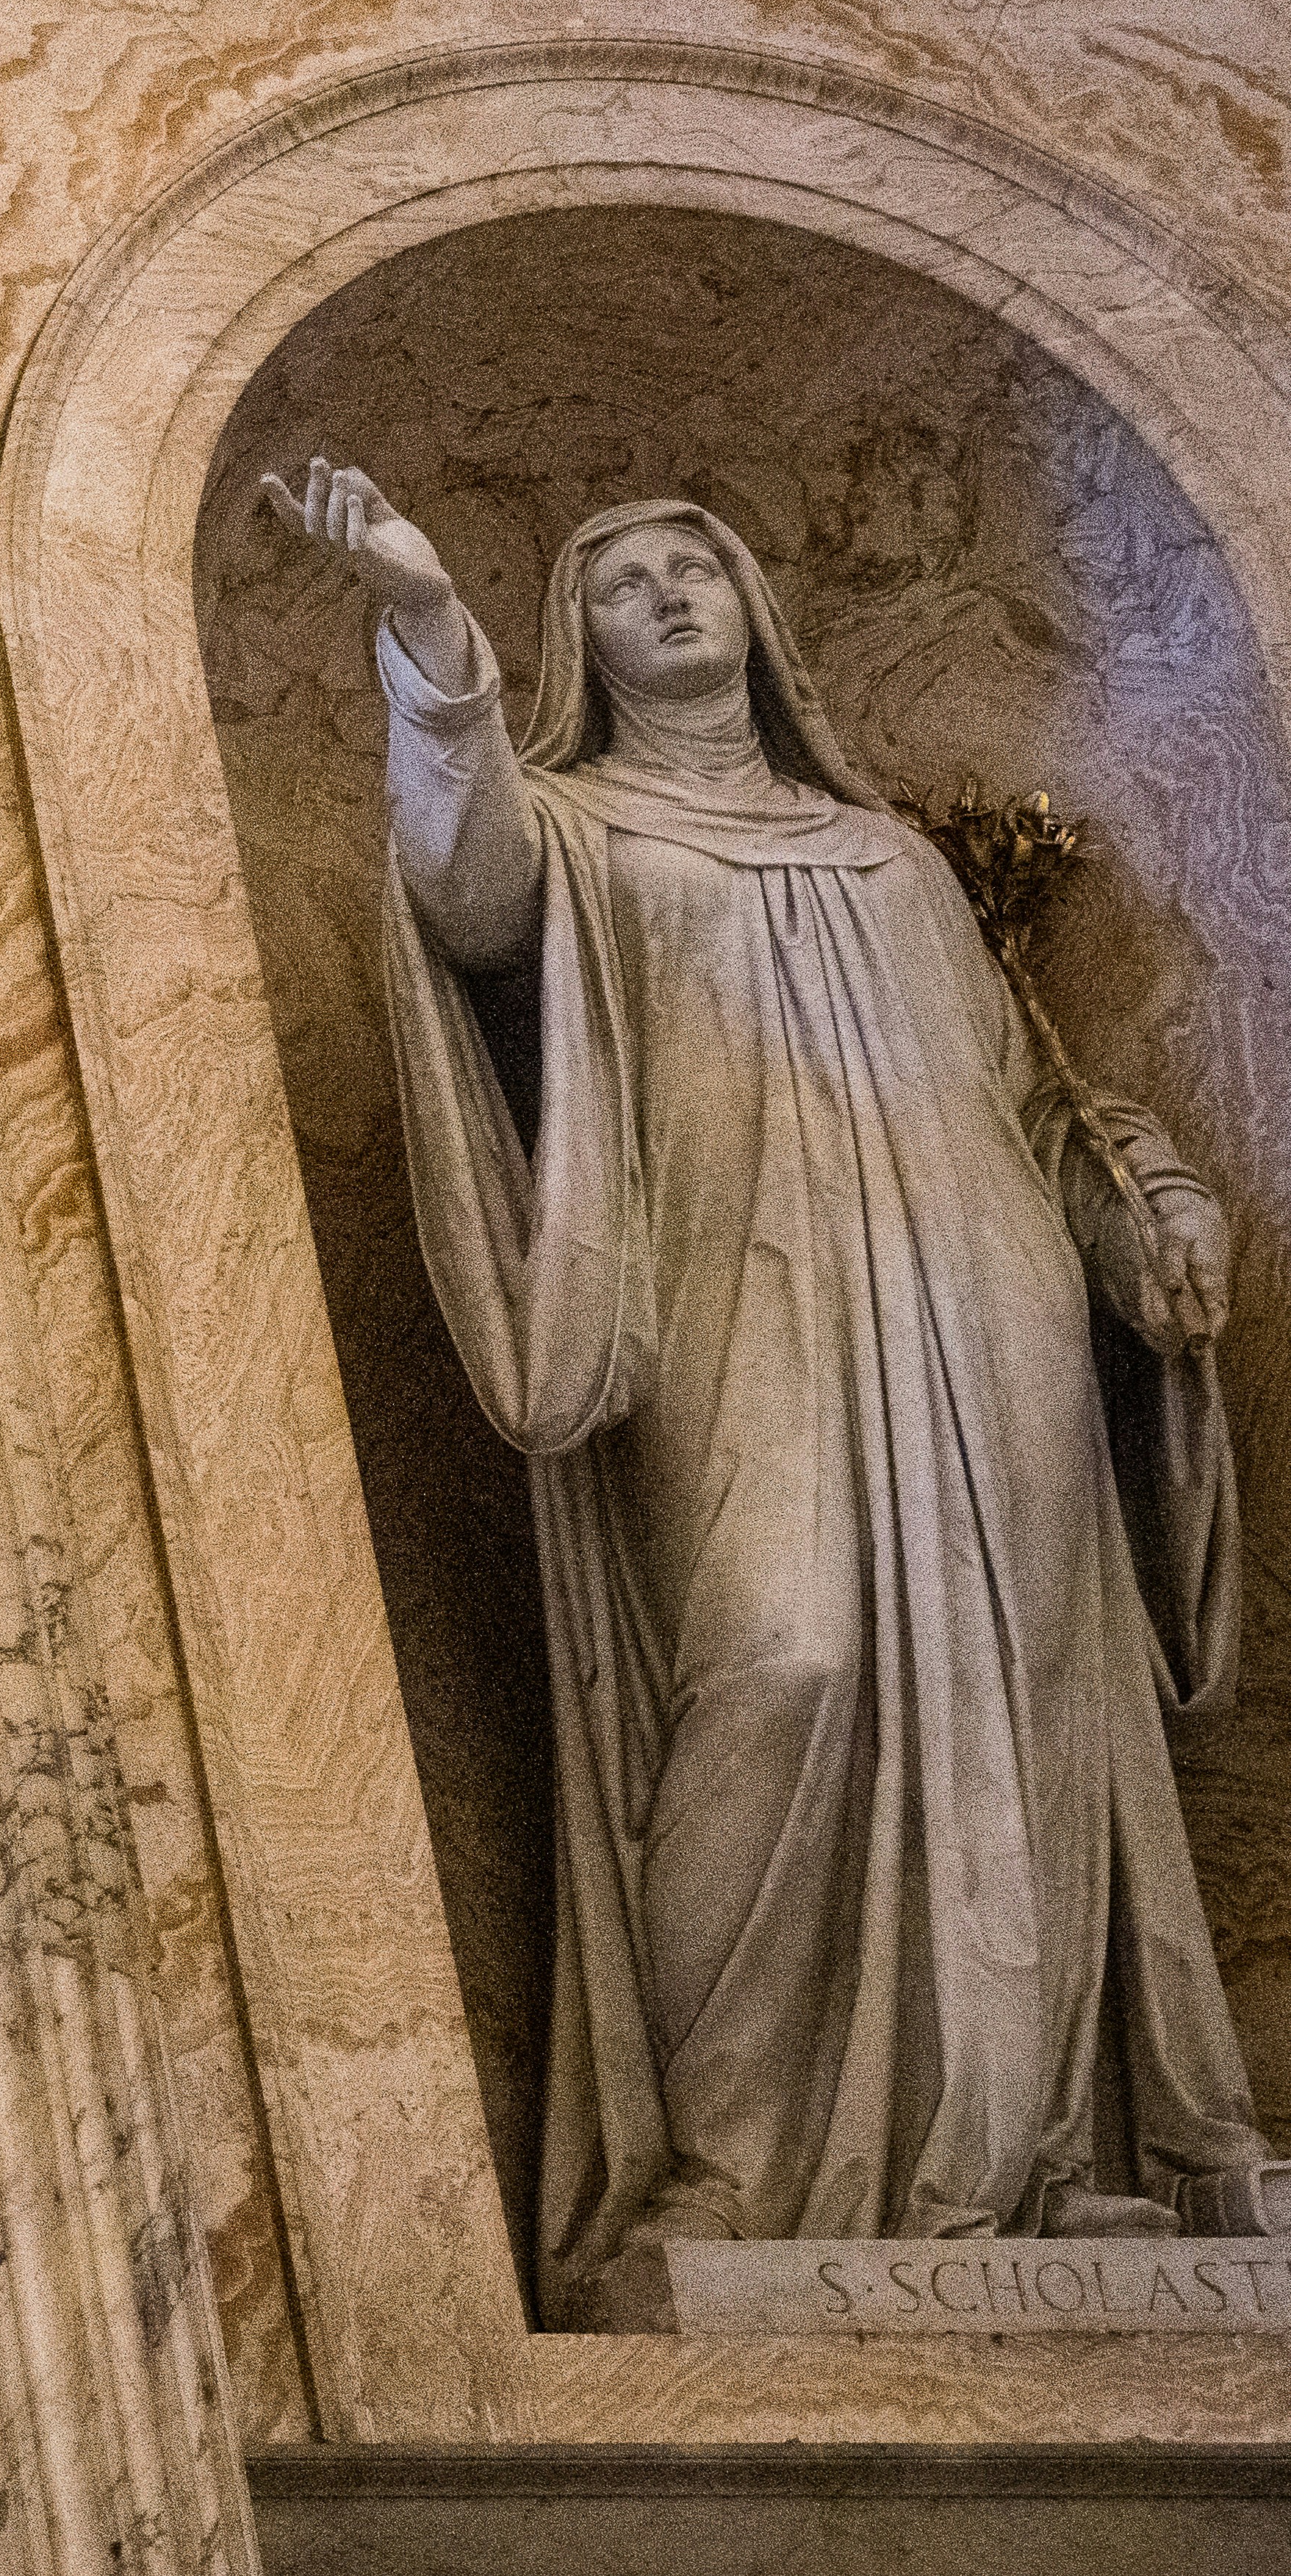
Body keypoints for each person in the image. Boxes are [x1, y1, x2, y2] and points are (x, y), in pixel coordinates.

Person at [278, 459, 1285, 2289]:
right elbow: (463, 878)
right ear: (573, 640)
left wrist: (1142, 1210)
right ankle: (726, 2157)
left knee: (1017, 1695)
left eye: (693, 567)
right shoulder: (578, 830)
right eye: (615, 583)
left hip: (980, 1301)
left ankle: (1045, 2148)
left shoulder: (891, 856)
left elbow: (1018, 1103)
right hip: (726, 1290)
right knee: (778, 1648)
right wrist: (429, 627)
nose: (664, 597)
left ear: (753, 609)